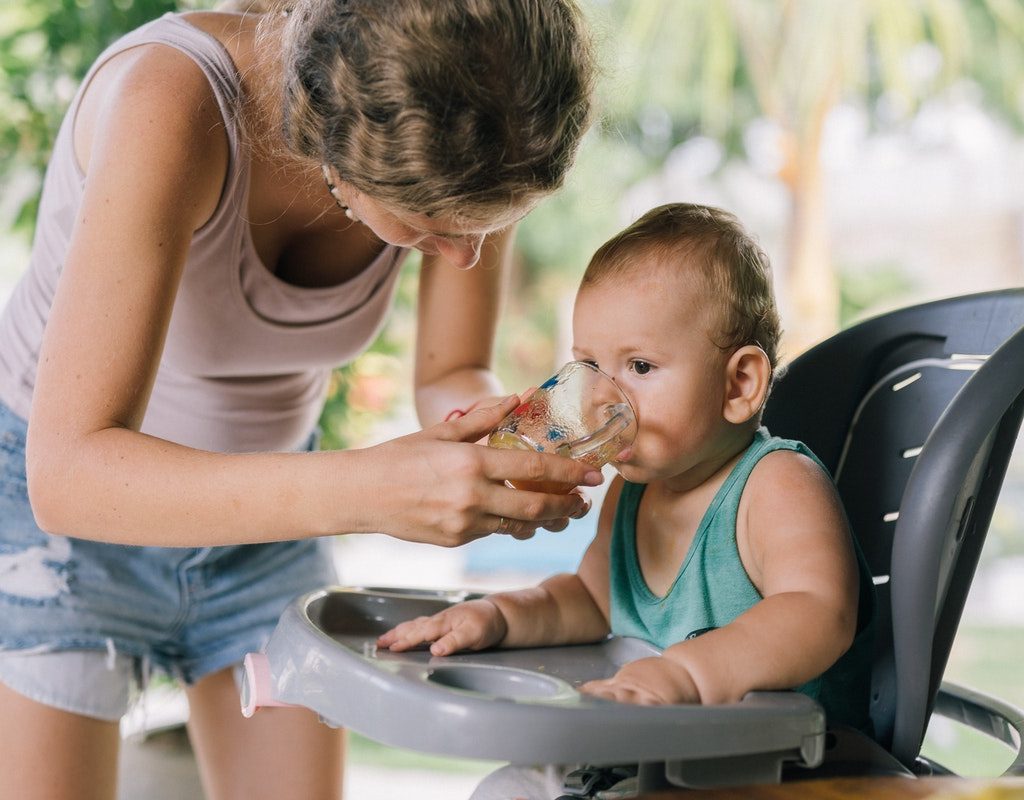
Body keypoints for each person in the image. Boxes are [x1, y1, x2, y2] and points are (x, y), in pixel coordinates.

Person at [0, 2, 601, 798]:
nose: (466, 254)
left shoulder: (482, 128)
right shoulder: (173, 102)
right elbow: (67, 476)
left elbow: (451, 369)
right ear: (338, 146)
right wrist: (372, 491)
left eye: (494, 224)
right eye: (430, 227)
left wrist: (503, 444)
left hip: (273, 521)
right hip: (71, 536)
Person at [378, 203, 877, 800]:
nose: (599, 396)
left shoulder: (776, 485)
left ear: (738, 384)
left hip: (776, 772)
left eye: (639, 366)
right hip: (655, 760)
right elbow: (590, 600)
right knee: (504, 789)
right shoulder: (632, 492)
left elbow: (819, 612)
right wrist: (500, 617)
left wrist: (684, 676)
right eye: (589, 365)